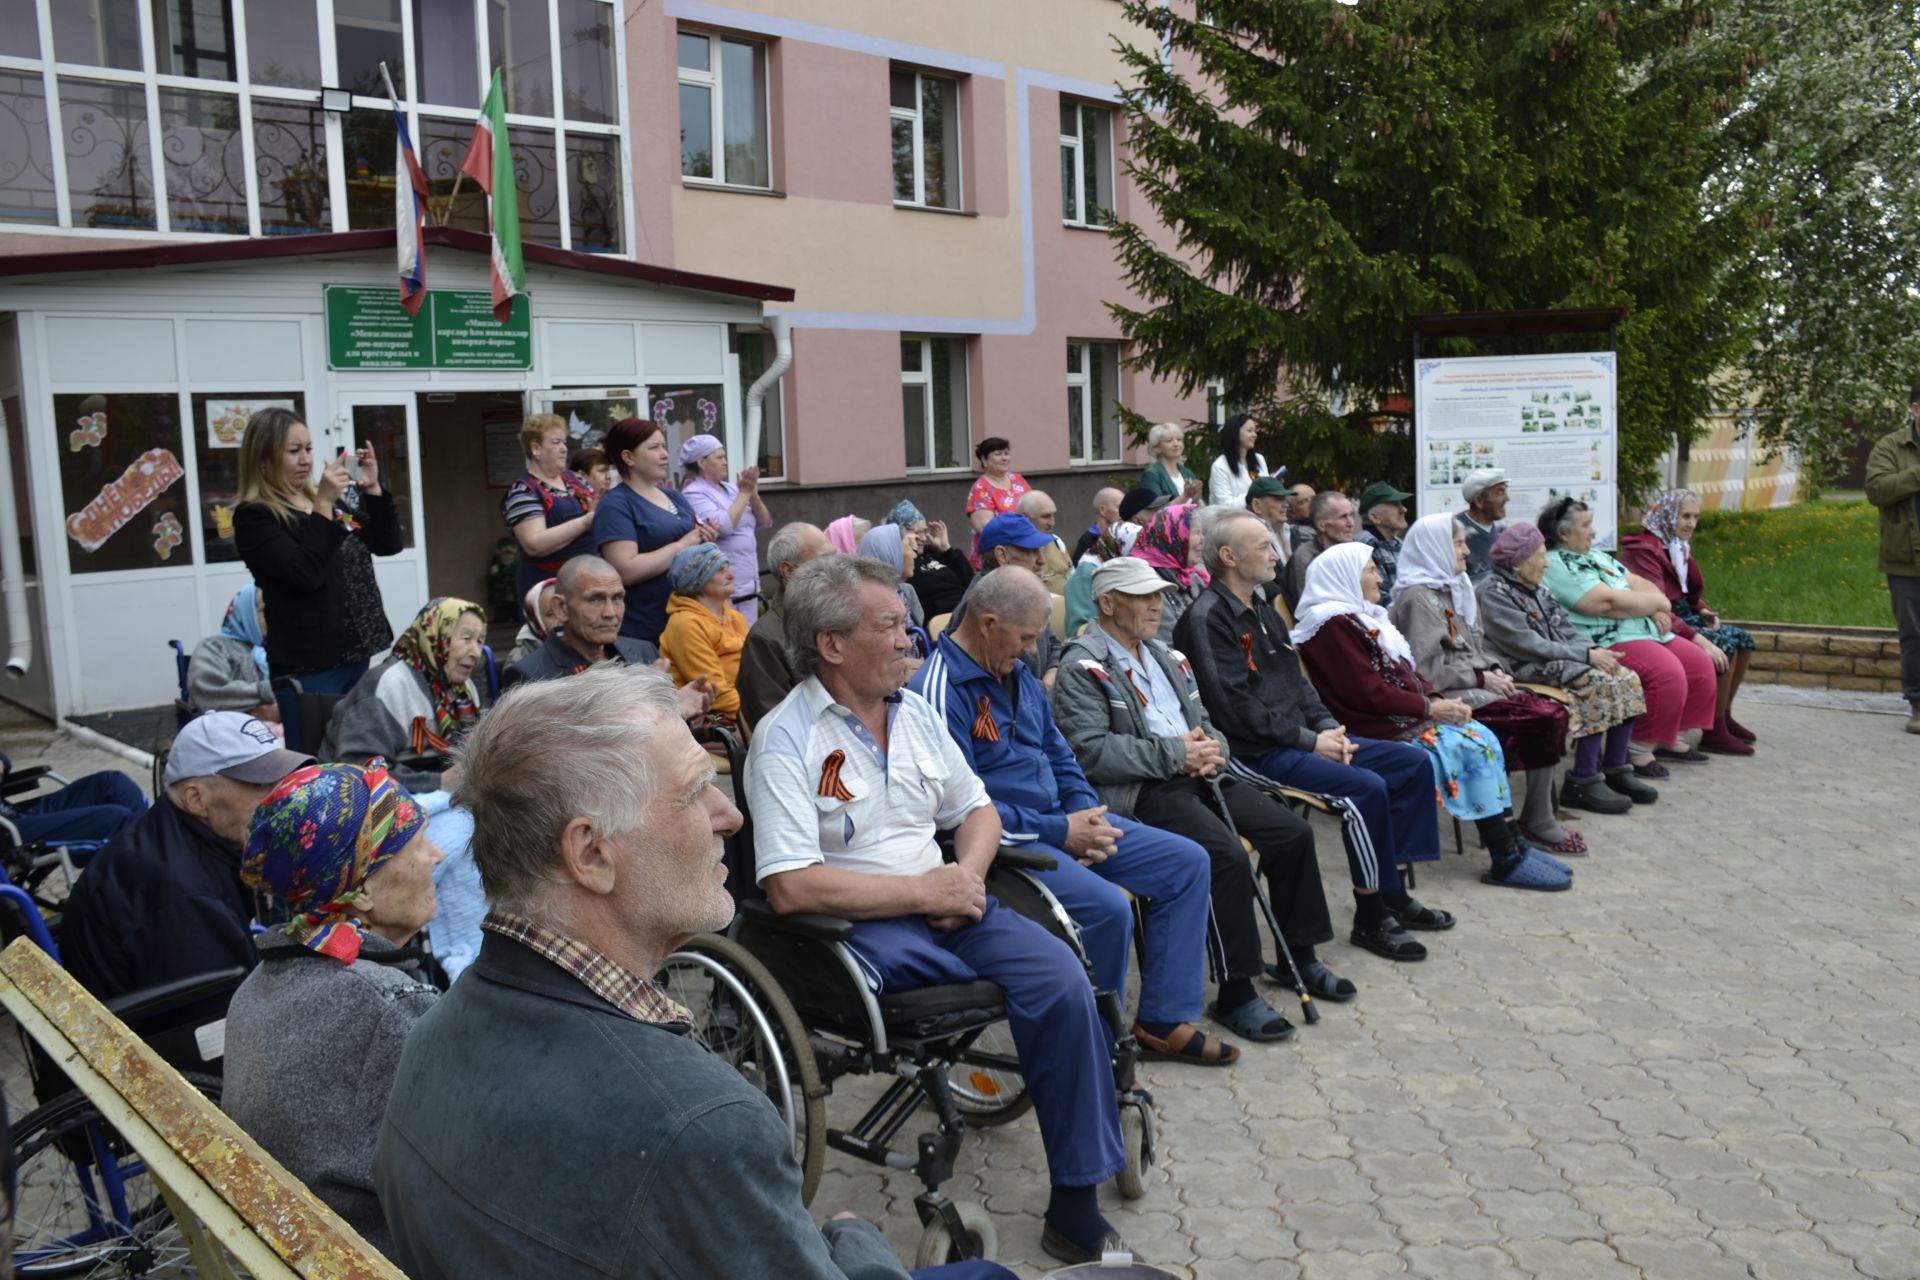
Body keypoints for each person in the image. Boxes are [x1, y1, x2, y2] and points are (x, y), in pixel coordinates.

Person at [373, 667, 1010, 1280]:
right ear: (591, 853)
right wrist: (854, 1237)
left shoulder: (428, 1033)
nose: (728, 816)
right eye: (692, 793)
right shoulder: (699, 1124)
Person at [750, 557, 1137, 1266]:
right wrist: (923, 893)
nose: (910, 639)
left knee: (1061, 979)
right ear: (832, 645)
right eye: (890, 625)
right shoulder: (787, 738)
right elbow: (790, 887)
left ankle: (1075, 1203)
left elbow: (978, 811)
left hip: (950, 899)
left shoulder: (917, 712)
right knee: (973, 979)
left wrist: (966, 874)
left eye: (905, 622)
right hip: (854, 929)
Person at [910, 569, 1230, 1066]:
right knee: (1107, 908)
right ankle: (1096, 1054)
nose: (1034, 649)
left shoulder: (1015, 670)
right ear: (989, 622)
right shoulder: (939, 689)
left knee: (1186, 862)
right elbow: (957, 812)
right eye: (1027, 637)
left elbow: (1059, 752)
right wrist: (1064, 832)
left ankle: (1162, 1020)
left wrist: (1084, 811)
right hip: (1001, 848)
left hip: (1063, 823)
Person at [1052, 557, 1351, 1036]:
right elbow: (1090, 752)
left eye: (1158, 595)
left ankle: (1299, 956)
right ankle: (1236, 992)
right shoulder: (1081, 665)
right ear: (1107, 603)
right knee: (1225, 854)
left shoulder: (1168, 656)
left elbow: (1205, 720)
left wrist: (1214, 749)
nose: (1157, 605)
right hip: (1145, 789)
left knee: (1290, 832)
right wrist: (1177, 755)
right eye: (1143, 597)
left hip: (1201, 773)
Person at [1175, 510, 1452, 960]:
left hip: (1299, 738)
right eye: (1263, 545)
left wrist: (1326, 728)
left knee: (1412, 762)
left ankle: (1392, 890)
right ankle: (1371, 914)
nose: (1274, 551)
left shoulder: (1262, 605)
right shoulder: (1207, 618)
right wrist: (1311, 742)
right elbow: (1234, 709)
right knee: (1364, 790)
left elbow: (1299, 683)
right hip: (1255, 752)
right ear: (1228, 556)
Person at [224, 761, 442, 1257]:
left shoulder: (257, 987)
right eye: (416, 846)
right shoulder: (391, 1008)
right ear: (361, 890)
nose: (437, 855)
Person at [1293, 544, 1573, 892]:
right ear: (1345, 577)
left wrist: (1438, 700)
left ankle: (1512, 841)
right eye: (1369, 570)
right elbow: (1366, 693)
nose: (1379, 576)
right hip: (1373, 725)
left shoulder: (1360, 616)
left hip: (1398, 714)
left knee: (1479, 735)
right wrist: (1429, 709)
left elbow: (1406, 671)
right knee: (1467, 746)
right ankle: (1504, 855)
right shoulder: (1330, 626)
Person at [57, 713, 313, 1004]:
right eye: (261, 786)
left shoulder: (173, 834)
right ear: (196, 798)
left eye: (283, 782)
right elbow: (224, 1016)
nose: (284, 798)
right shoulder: (185, 898)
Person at [1389, 515, 1581, 854]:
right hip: (1447, 696)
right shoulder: (1418, 598)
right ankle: (1532, 820)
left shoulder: (1450, 587)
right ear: (1435, 548)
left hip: (1474, 686)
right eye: (1458, 543)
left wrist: (1494, 669)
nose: (1467, 550)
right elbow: (1427, 670)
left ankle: (1530, 816)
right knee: (1544, 718)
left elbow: (1476, 647)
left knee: (1549, 712)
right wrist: (1481, 677)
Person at [1476, 522, 1655, 814]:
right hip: (1520, 665)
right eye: (1541, 556)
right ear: (1520, 561)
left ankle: (1616, 769)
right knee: (1596, 681)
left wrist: (1594, 650)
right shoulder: (1493, 592)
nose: (1547, 563)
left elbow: (1566, 629)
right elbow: (1526, 643)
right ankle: (1582, 781)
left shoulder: (1537, 587)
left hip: (1552, 658)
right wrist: (1585, 655)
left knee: (1625, 677)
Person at [1539, 497, 1718, 777]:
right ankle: (1638, 749)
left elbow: (1637, 582)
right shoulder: (1556, 564)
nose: (1593, 531)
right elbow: (1604, 603)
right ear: (1563, 533)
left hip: (1639, 626)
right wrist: (1657, 605)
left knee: (1699, 665)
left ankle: (1670, 738)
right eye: (1586, 525)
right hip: (1605, 637)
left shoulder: (1595, 556)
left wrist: (1651, 603)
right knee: (1667, 673)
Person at [233, 406, 402, 696]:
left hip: (357, 651)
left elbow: (386, 544)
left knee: (357, 741)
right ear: (263, 459)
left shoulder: (328, 503)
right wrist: (322, 505)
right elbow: (304, 574)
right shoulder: (255, 516)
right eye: (294, 450)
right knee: (316, 743)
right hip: (311, 665)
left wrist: (372, 488)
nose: (305, 460)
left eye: (309, 449)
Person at [1620, 490, 1757, 754]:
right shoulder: (1645, 549)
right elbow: (1655, 601)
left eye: (1696, 517)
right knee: (1721, 645)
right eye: (1685, 516)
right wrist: (1698, 637)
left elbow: (1687, 591)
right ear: (1669, 515)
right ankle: (1713, 728)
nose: (1691, 523)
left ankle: (1724, 713)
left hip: (1682, 613)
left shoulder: (1676, 545)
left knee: (1742, 640)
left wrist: (1703, 609)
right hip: (1660, 619)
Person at [323, 598, 488, 794]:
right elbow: (360, 769)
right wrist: (438, 782)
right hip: (356, 798)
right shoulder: (389, 684)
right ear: (434, 636)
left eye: (479, 641)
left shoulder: (464, 690)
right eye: (466, 638)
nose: (476, 652)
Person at [595, 416, 718, 647]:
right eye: (654, 448)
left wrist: (707, 536)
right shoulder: (616, 505)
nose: (665, 454)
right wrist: (682, 546)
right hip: (646, 630)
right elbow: (625, 569)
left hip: (690, 624)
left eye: (664, 446)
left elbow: (693, 539)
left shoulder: (673, 496)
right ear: (628, 457)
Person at [946, 514, 1066, 684]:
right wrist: (1043, 689)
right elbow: (993, 683)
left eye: (1041, 550)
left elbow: (1053, 642)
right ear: (1002, 555)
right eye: (1030, 551)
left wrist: (1052, 672)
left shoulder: (1025, 592)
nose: (1042, 560)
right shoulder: (983, 604)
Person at [739, 523, 832, 730]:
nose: (836, 567)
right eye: (824, 560)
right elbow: (777, 726)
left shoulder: (839, 617)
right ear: (789, 571)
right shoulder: (765, 639)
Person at [1866, 381, 1920, 734]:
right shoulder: (1891, 446)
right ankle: (1917, 705)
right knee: (1914, 634)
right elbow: (1876, 489)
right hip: (1907, 559)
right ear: (1916, 408)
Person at [500, 413, 600, 600]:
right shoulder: (523, 491)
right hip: (550, 589)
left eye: (564, 442)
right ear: (536, 449)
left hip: (589, 579)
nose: (564, 449)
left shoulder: (575, 479)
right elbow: (534, 544)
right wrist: (585, 523)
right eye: (556, 443)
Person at [679, 433, 772, 626]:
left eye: (725, 457)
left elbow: (765, 522)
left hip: (749, 581)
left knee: (748, 638)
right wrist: (745, 493)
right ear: (701, 462)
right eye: (719, 457)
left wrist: (753, 496)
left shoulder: (731, 488)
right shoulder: (693, 493)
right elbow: (724, 527)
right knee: (732, 640)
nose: (725, 462)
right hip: (725, 584)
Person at [658, 544, 749, 723]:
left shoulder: (734, 617)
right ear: (698, 581)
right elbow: (716, 693)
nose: (731, 575)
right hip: (716, 721)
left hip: (748, 707)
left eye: (728, 568)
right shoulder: (685, 624)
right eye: (720, 570)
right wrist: (763, 714)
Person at [0, 757, 146, 854]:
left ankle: (155, 849)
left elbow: (4, 763)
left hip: (17, 815)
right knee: (116, 819)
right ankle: (146, 864)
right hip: (8, 832)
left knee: (113, 782)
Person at [188, 584, 279, 722]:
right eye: (263, 610)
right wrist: (271, 691)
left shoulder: (280, 647)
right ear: (246, 614)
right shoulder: (214, 647)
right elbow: (210, 694)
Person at [1128, 503, 1211, 643]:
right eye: (1196, 533)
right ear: (1173, 537)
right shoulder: (1147, 584)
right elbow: (1165, 644)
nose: (1202, 539)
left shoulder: (1193, 576)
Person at [887, 501, 972, 617]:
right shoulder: (901, 561)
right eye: (917, 532)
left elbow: (970, 582)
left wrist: (946, 549)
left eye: (924, 531)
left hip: (966, 609)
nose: (923, 537)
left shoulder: (933, 551)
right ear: (900, 533)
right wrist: (910, 551)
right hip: (942, 618)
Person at [1280, 490, 1357, 613]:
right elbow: (1312, 611)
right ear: (1322, 526)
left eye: (1351, 515)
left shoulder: (1355, 551)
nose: (1351, 523)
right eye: (1343, 517)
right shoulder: (1305, 558)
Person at [964, 436, 1030, 567]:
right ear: (984, 459)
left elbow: (1033, 506)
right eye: (998, 454)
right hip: (997, 557)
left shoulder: (1017, 478)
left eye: (1006, 453)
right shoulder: (981, 488)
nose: (1004, 458)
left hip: (1025, 548)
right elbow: (986, 528)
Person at [857, 522, 926, 627]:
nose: (914, 555)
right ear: (890, 552)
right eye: (909, 547)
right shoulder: (865, 603)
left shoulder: (905, 591)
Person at [1355, 481, 1414, 604]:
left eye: (1401, 504)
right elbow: (1382, 597)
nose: (1404, 509)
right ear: (1375, 517)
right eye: (1394, 505)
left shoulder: (1398, 542)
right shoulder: (1366, 544)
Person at [1455, 469, 1510, 580]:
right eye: (1500, 492)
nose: (1507, 498)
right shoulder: (1455, 530)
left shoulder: (1503, 530)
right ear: (1479, 501)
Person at [1208, 414, 1272, 509]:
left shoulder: (1259, 459)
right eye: (1250, 431)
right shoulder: (1220, 465)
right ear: (1235, 433)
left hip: (1258, 517)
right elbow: (1225, 505)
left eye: (1255, 431)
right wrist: (1255, 493)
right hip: (1230, 521)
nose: (1255, 435)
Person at [1018, 489, 1074, 594]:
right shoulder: (1014, 549)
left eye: (1053, 515)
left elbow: (1072, 578)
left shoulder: (1057, 541)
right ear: (1025, 517)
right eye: (1045, 516)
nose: (1052, 523)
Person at [1138, 423, 1203, 503]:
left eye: (1179, 440)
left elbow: (1196, 505)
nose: (1176, 444)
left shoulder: (1187, 472)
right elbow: (1156, 510)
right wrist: (1185, 496)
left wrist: (1197, 495)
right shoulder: (1152, 475)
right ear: (1157, 447)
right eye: (1169, 441)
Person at [504, 576, 562, 665]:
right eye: (550, 614)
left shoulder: (583, 646)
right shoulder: (520, 661)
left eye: (563, 609)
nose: (560, 618)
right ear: (535, 620)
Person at [1072, 487, 1125, 561]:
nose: (1125, 511)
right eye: (1119, 507)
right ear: (1102, 510)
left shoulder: (1124, 534)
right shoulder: (1087, 541)